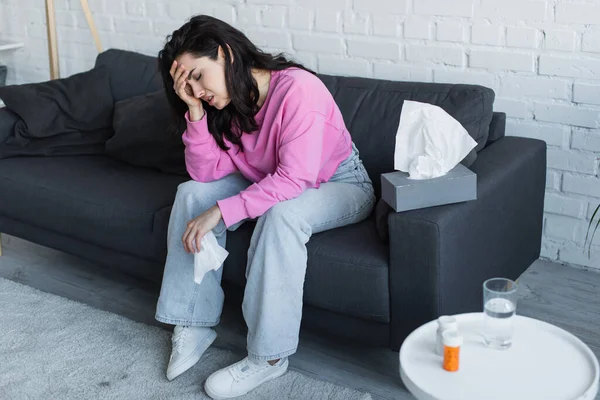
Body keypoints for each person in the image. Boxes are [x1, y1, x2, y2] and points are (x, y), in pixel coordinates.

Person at [154, 15, 375, 399]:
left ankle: (268, 358)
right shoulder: (227, 102)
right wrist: (194, 111)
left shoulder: (298, 90)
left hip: (339, 182)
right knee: (191, 193)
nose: (195, 88)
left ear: (224, 54)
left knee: (282, 215)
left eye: (198, 76)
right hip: (267, 177)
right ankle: (193, 322)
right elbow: (205, 174)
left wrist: (223, 211)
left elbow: (294, 180)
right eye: (185, 84)